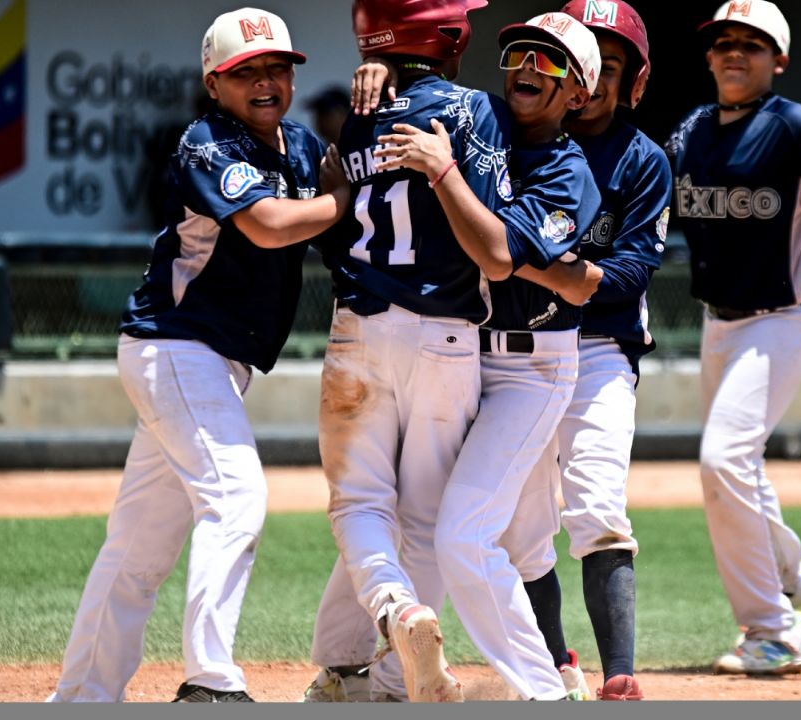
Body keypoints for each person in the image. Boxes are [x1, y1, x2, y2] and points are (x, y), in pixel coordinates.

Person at [46, 7, 348, 702]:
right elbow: (270, 226)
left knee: (138, 549)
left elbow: (335, 220)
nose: (266, 82)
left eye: (277, 67)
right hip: (177, 347)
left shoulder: (301, 148)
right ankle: (211, 680)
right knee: (237, 498)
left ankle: (82, 697)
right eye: (246, 73)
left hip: (207, 359)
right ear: (214, 85)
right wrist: (339, 200)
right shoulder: (206, 143)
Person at [371, 11, 602, 701]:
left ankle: (545, 692)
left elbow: (499, 258)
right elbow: (419, 86)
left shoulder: (568, 172)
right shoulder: (482, 120)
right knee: (492, 537)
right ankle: (384, 677)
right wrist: (385, 72)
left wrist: (443, 171)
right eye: (521, 53)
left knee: (465, 536)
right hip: (462, 357)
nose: (529, 66)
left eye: (552, 61)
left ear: (578, 94)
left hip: (532, 369)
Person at [666, 0, 801, 675]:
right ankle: (797, 582)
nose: (735, 53)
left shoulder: (795, 127)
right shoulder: (693, 130)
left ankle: (774, 631)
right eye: (724, 42)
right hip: (718, 323)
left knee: (722, 461)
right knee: (742, 468)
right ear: (707, 56)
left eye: (753, 44)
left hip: (784, 320)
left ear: (777, 60)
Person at [307, 0, 513, 703]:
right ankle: (397, 682)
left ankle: (396, 610)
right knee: (425, 514)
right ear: (447, 34)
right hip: (448, 332)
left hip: (359, 328)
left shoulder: (361, 112)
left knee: (360, 501)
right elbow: (492, 224)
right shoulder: (472, 109)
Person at [497, 0, 671, 702]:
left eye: (612, 64)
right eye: (582, 61)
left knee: (597, 505)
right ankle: (554, 670)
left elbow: (628, 276)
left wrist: (526, 262)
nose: (594, 79)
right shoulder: (508, 132)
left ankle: (620, 674)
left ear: (631, 79)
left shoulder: (644, 160)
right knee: (519, 525)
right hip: (519, 347)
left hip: (600, 348)